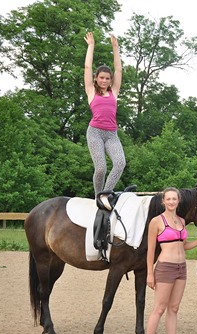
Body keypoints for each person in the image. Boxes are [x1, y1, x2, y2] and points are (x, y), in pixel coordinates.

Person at [143, 187, 197, 334]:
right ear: (163, 201)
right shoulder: (156, 222)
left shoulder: (181, 221)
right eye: (169, 199)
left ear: (178, 201)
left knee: (174, 308)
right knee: (159, 308)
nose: (172, 202)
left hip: (181, 268)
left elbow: (183, 245)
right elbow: (151, 250)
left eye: (174, 199)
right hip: (165, 267)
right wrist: (150, 274)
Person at [84, 31, 126, 208]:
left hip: (111, 134)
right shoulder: (91, 91)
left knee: (120, 163)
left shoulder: (113, 92)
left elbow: (118, 69)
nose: (105, 80)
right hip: (95, 133)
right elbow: (87, 67)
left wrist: (115, 48)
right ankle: (97, 198)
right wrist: (91, 46)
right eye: (101, 77)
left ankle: (105, 195)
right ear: (96, 78)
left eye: (107, 78)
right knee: (100, 167)